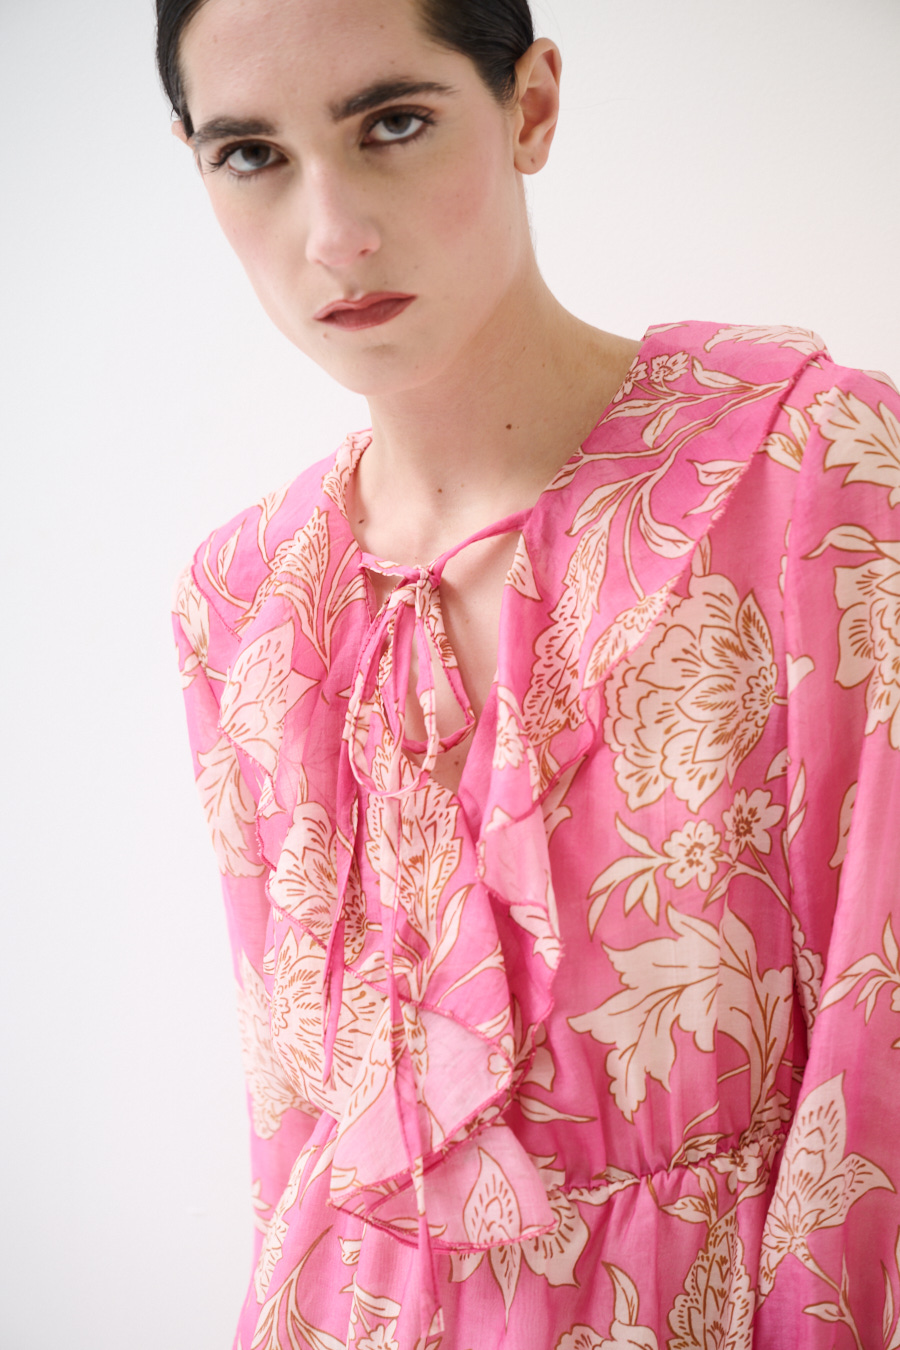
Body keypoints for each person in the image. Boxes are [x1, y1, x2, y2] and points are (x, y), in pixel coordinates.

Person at [164, 0, 900, 1346]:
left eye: (394, 123)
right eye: (252, 154)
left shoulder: (815, 472)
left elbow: (880, 1050)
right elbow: (297, 1134)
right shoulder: (241, 602)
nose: (333, 235)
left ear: (532, 105)